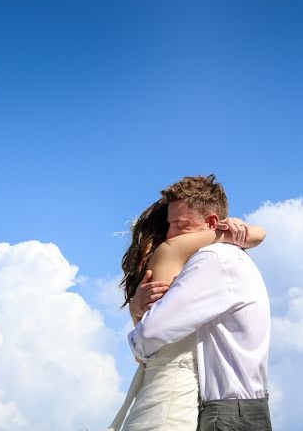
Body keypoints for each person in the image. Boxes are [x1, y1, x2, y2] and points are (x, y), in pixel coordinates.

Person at [108, 176, 268, 430]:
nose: (171, 235)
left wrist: (137, 325)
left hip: (223, 409)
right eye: (169, 226)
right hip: (243, 404)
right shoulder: (228, 256)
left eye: (179, 225)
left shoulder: (212, 258)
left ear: (213, 222)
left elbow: (150, 334)